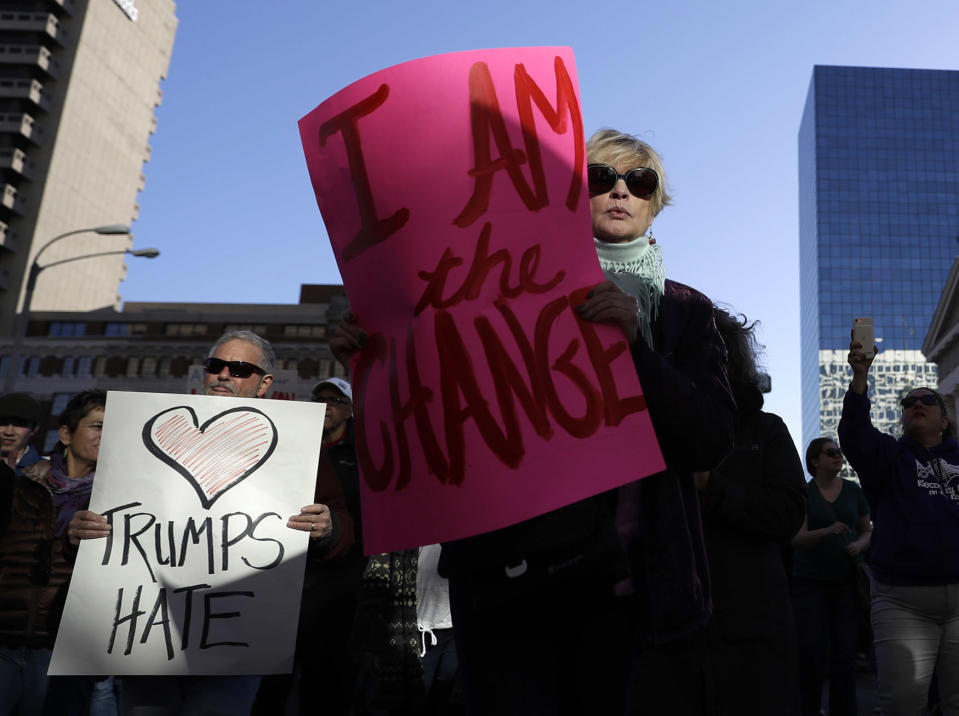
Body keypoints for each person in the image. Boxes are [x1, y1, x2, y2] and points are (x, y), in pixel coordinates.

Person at [333, 128, 736, 715]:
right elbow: (444, 404)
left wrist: (636, 353)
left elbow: (711, 439)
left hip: (628, 583)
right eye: (602, 178)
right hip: (504, 574)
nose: (621, 191)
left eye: (639, 182)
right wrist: (376, 356)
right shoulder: (493, 280)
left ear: (655, 203)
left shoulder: (686, 310)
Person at [69, 331, 353, 716]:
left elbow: (342, 526)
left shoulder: (297, 445)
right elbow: (106, 511)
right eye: (214, 366)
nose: (223, 375)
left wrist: (329, 527)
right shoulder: (146, 431)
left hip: (238, 636)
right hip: (150, 634)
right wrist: (81, 529)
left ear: (264, 383)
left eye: (238, 369)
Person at [838, 336, 959, 714]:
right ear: (903, 417)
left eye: (927, 400)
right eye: (909, 403)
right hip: (902, 602)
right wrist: (861, 377)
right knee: (902, 706)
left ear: (944, 417)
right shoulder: (887, 458)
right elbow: (855, 434)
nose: (917, 404)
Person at [696, 308, 806, 716]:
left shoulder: (767, 429)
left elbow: (789, 512)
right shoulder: (658, 425)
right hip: (677, 626)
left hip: (752, 624)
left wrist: (712, 487)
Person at [252, 376, 366, 716]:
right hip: (284, 578)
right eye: (319, 399)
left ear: (349, 410)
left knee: (326, 680)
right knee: (271, 682)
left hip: (340, 583)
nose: (326, 406)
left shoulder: (364, 454)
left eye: (334, 400)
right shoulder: (291, 448)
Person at [0, 390, 105, 716]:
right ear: (65, 434)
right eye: (98, 426)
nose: (107, 437)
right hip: (4, 643)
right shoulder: (20, 487)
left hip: (61, 652)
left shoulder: (116, 500)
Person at [791, 436, 871, 716]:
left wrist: (859, 545)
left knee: (845, 655)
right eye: (830, 452)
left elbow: (867, 530)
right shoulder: (804, 493)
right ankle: (809, 709)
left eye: (839, 451)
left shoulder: (853, 491)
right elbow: (796, 539)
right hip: (810, 584)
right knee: (811, 653)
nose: (838, 455)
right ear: (815, 461)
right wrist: (827, 531)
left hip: (847, 583)